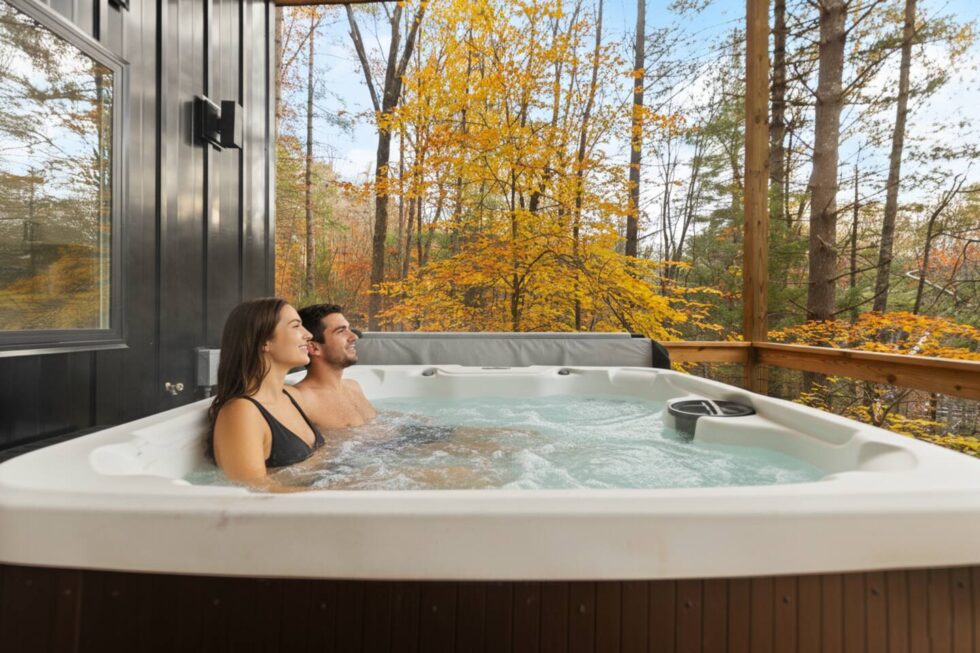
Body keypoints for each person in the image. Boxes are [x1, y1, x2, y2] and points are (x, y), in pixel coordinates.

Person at [207, 298, 325, 482]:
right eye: (296, 326)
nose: (308, 334)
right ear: (264, 341)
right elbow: (253, 492)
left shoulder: (288, 397)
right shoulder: (241, 412)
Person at [293, 303, 377, 429]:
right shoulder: (303, 400)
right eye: (341, 331)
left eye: (349, 329)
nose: (354, 336)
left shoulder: (353, 387)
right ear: (314, 347)